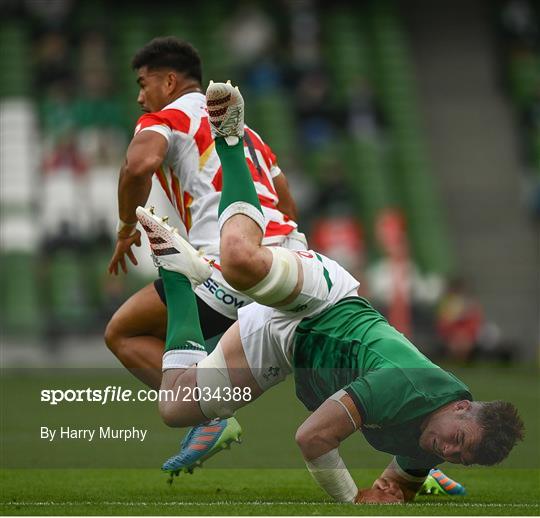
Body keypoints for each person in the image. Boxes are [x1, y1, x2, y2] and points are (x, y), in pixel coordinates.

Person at [133, 81, 524, 504]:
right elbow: (312, 438)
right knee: (240, 261)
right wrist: (354, 500)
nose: (447, 451)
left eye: (459, 457)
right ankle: (230, 139)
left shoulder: (434, 438)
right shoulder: (407, 386)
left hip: (288, 346)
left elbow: (396, 488)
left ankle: (175, 269)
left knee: (176, 405)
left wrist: (390, 495)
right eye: (458, 441)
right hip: (321, 303)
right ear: (461, 408)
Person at [105, 37, 306, 472]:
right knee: (328, 361)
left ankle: (208, 416)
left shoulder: (164, 118)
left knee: (123, 332)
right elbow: (286, 201)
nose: (140, 96)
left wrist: (126, 227)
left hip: (227, 265)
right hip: (289, 257)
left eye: (144, 84)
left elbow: (138, 166)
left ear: (170, 80)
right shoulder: (248, 133)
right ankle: (418, 456)